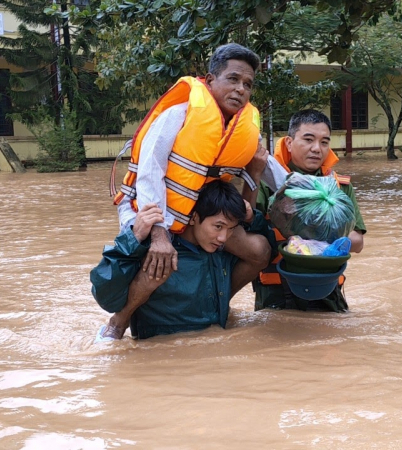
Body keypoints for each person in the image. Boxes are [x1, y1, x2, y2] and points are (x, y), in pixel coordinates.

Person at [103, 43, 274, 339]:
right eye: (232, 79)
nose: (241, 90)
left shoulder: (244, 129)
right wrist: (159, 233)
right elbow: (149, 174)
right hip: (148, 207)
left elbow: (279, 175)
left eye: (247, 84)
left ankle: (219, 301)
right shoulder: (177, 115)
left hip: (201, 213)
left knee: (259, 251)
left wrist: (315, 194)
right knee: (162, 260)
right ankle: (119, 321)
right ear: (210, 81)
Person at [92, 180, 270, 340]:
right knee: (159, 267)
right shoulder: (156, 248)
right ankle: (117, 324)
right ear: (194, 218)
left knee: (258, 247)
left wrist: (252, 217)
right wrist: (134, 237)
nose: (224, 237)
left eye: (230, 229)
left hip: (214, 339)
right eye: (218, 227)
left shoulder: (220, 249)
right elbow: (105, 296)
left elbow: (267, 247)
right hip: (160, 347)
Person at [245, 109, 367, 312]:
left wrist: (310, 237)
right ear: (289, 143)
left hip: (328, 292)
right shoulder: (266, 184)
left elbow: (357, 242)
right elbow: (247, 230)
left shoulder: (338, 187)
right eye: (308, 140)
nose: (317, 149)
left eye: (324, 142)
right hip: (275, 294)